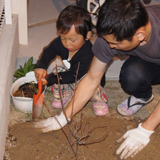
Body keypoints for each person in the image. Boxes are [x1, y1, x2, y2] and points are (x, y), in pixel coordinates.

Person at [34, 0, 160, 159]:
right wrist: (63, 117)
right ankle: (143, 95)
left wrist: (145, 129)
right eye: (107, 41)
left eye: (115, 44)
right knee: (132, 76)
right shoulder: (110, 34)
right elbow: (92, 78)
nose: (110, 47)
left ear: (140, 35)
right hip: (150, 63)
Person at [34, 5, 108, 117]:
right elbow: (49, 51)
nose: (67, 43)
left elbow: (74, 75)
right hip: (72, 74)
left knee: (93, 86)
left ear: (87, 35)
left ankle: (100, 101)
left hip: (87, 78)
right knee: (57, 70)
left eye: (72, 40)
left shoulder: (88, 54)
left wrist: (51, 79)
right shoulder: (60, 43)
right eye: (63, 38)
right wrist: (41, 66)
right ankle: (65, 94)